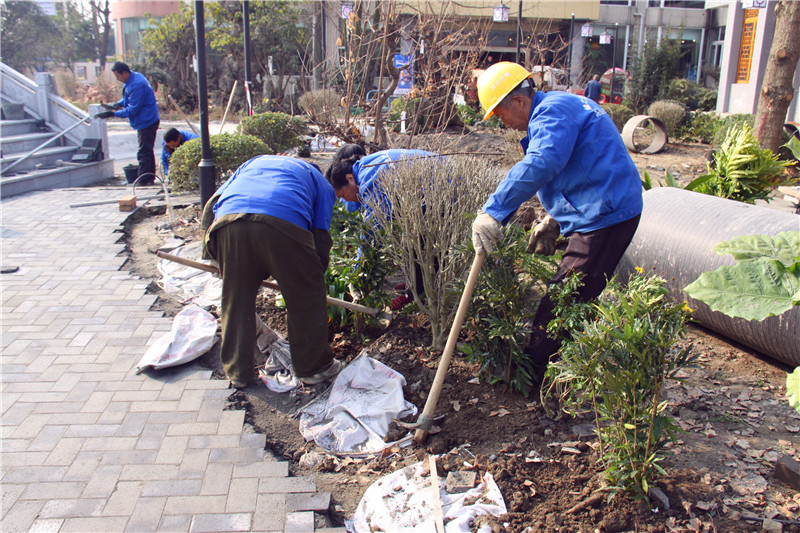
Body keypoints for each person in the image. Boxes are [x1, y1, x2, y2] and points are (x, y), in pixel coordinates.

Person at [471, 62, 642, 382]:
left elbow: (543, 162)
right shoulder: (557, 106)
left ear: (519, 101)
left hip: (605, 216)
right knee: (569, 297)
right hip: (599, 207)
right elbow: (579, 162)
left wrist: (494, 211)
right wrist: (556, 219)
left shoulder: (551, 112)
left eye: (499, 114)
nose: (503, 124)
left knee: (562, 302)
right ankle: (559, 370)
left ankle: (532, 381)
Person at [201, 155, 342, 388]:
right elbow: (320, 235)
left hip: (228, 224)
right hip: (282, 221)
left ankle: (238, 372)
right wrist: (313, 275)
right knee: (305, 299)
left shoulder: (251, 163)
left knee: (236, 299)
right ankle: (313, 368)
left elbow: (212, 203)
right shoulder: (320, 181)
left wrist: (212, 256)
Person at [325, 146, 437, 311]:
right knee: (411, 240)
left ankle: (420, 295)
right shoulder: (363, 169)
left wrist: (357, 274)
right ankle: (416, 285)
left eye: (342, 195)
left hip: (443, 189)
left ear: (349, 178)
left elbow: (372, 232)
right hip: (427, 192)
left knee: (422, 244)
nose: (345, 200)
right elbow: (354, 206)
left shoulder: (372, 179)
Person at [95, 62, 160, 185]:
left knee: (144, 151)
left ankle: (144, 179)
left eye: (118, 76)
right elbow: (129, 98)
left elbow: (133, 109)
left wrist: (113, 114)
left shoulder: (137, 85)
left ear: (124, 73)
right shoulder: (134, 78)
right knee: (147, 150)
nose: (117, 79)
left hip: (147, 121)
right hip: (147, 119)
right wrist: (118, 104)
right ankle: (149, 178)